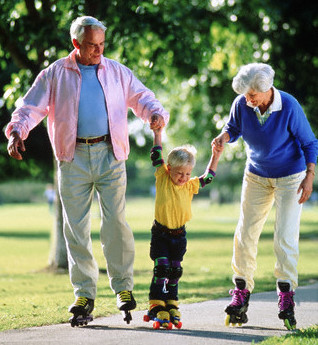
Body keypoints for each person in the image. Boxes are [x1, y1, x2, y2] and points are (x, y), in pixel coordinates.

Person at [6, 16, 169, 325]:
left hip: (111, 154)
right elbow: (30, 107)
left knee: (115, 224)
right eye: (92, 45)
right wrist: (17, 131)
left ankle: (123, 288)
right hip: (72, 157)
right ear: (76, 44)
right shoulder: (56, 73)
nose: (98, 50)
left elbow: (142, 97)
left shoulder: (116, 71)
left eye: (102, 44)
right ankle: (84, 294)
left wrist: (155, 114)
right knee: (76, 228)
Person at [212, 63, 318, 330]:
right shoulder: (242, 103)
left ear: (267, 89)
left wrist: (310, 175)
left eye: (252, 95)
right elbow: (234, 127)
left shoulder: (289, 106)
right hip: (256, 174)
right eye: (246, 95)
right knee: (245, 232)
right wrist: (224, 136)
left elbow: (309, 142)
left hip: (291, 177)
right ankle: (241, 292)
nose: (248, 99)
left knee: (284, 236)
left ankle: (286, 295)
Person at [143, 117, 223, 329]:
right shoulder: (162, 176)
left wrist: (215, 155)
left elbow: (208, 178)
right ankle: (155, 302)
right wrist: (158, 133)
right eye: (179, 173)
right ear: (169, 169)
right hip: (160, 233)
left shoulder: (190, 185)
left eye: (187, 173)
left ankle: (171, 301)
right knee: (161, 268)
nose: (184, 177)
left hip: (179, 235)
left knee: (175, 270)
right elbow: (156, 155)